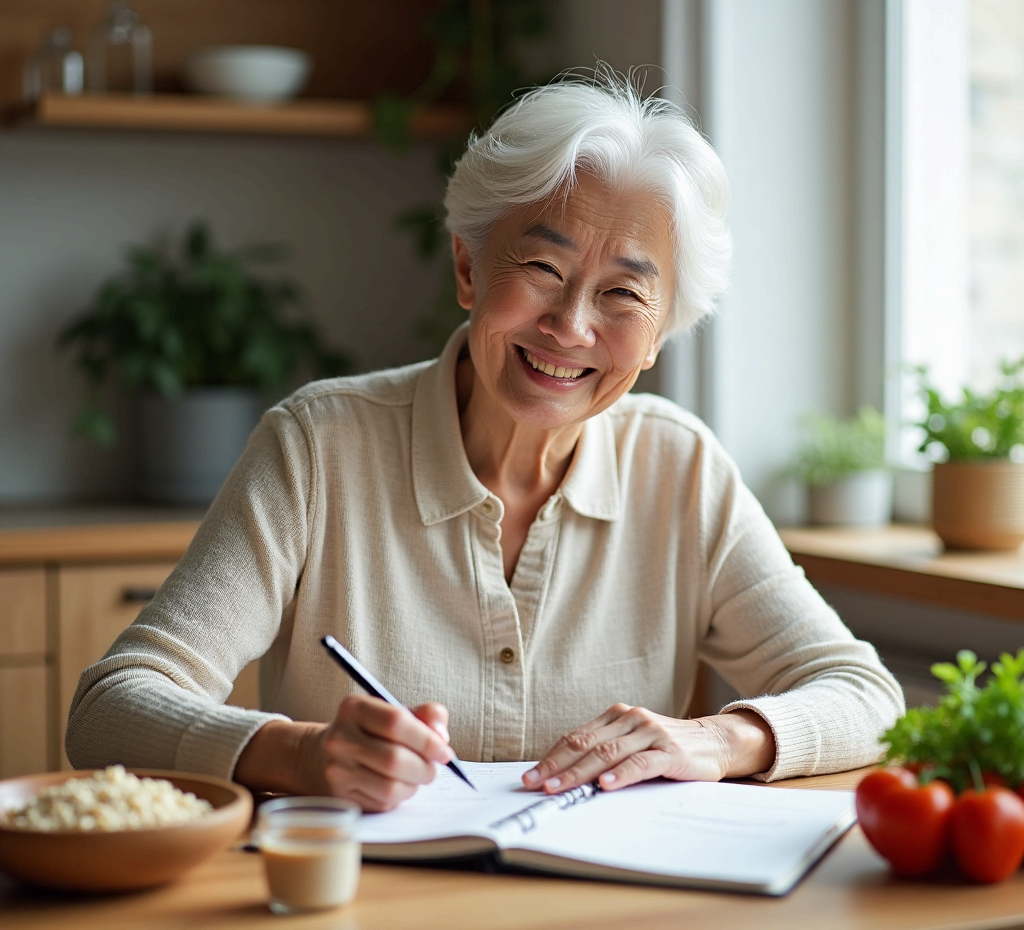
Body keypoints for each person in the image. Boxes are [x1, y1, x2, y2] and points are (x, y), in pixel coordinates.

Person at [67, 72, 904, 813]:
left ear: (659, 337)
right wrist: (301, 752)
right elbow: (110, 709)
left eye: (623, 295)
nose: (571, 326)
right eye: (542, 269)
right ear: (468, 267)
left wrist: (719, 741)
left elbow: (867, 695)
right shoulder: (318, 448)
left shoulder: (680, 469)